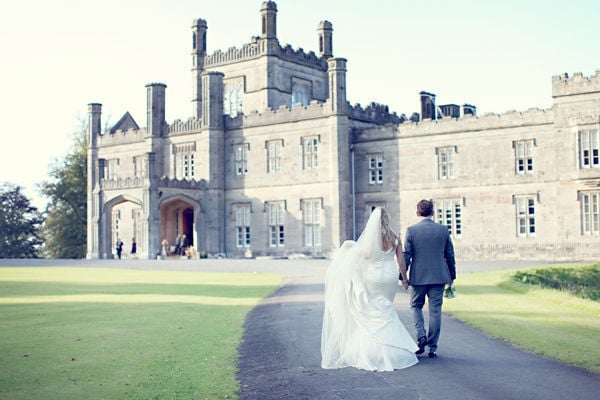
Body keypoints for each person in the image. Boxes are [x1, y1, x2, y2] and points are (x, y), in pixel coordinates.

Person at [321, 207, 418, 371]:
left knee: (374, 307)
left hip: (373, 275)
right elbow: (401, 262)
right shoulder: (395, 238)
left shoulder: (372, 238)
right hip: (390, 275)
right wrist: (405, 280)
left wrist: (350, 248)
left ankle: (372, 350)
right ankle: (392, 347)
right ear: (387, 219)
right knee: (386, 306)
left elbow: (364, 256)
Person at [403, 199, 456, 358]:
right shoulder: (443, 230)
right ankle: (432, 347)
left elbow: (407, 255)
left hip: (418, 277)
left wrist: (403, 276)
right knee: (435, 312)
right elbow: (450, 255)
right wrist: (452, 276)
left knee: (415, 306)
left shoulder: (411, 231)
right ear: (433, 213)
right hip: (439, 276)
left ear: (417, 213)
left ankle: (421, 335)